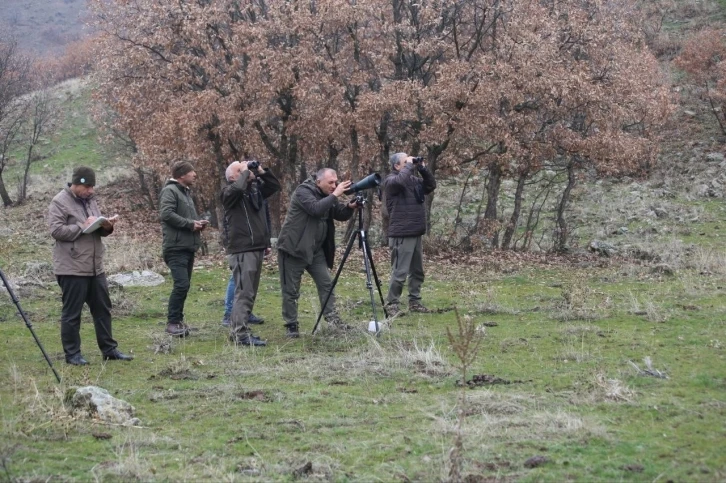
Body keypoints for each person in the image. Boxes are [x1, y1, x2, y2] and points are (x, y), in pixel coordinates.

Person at [47, 166, 133, 365]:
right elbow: (57, 231)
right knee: (72, 313)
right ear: (77, 184)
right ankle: (73, 354)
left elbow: (96, 229)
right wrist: (81, 226)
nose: (91, 191)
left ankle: (109, 350)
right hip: (72, 267)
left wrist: (106, 226)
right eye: (88, 187)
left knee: (103, 309)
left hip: (95, 267)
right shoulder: (59, 201)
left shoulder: (90, 200)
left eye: (93, 187)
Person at [277, 168, 358, 337]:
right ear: (318, 181)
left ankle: (333, 319)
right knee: (291, 290)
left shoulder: (327, 194)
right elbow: (315, 209)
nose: (334, 185)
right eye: (330, 182)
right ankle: (291, 325)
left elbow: (338, 214)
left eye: (335, 182)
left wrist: (350, 207)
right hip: (294, 249)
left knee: (326, 284)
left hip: (316, 250)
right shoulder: (303, 192)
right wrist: (335, 194)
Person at [221, 160, 281, 346]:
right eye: (241, 170)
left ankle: (241, 330)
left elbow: (274, 186)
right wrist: (246, 173)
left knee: (250, 293)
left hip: (255, 248)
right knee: (244, 292)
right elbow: (236, 190)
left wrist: (261, 171)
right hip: (242, 249)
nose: (248, 171)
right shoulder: (229, 192)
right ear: (233, 176)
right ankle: (239, 334)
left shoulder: (253, 191)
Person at [382, 153, 437, 315]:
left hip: (415, 231)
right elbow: (400, 181)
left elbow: (430, 185)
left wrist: (422, 168)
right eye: (404, 162)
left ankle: (415, 301)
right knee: (400, 272)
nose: (409, 164)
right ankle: (392, 304)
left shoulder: (412, 181)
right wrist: (409, 165)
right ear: (396, 166)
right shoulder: (391, 181)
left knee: (417, 271)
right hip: (401, 233)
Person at [159, 160, 208, 337]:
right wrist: (189, 224)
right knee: (181, 285)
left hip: (187, 247)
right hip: (175, 247)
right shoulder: (170, 191)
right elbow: (166, 214)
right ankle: (172, 323)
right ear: (181, 175)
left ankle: (178, 321)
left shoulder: (185, 193)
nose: (195, 174)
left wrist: (197, 224)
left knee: (184, 286)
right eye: (191, 171)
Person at [221, 198, 271, 328]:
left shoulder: (257, 190)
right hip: (240, 245)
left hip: (256, 243)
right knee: (237, 279)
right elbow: (228, 222)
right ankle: (229, 314)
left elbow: (264, 218)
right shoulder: (234, 193)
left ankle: (245, 313)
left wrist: (267, 241)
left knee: (248, 283)